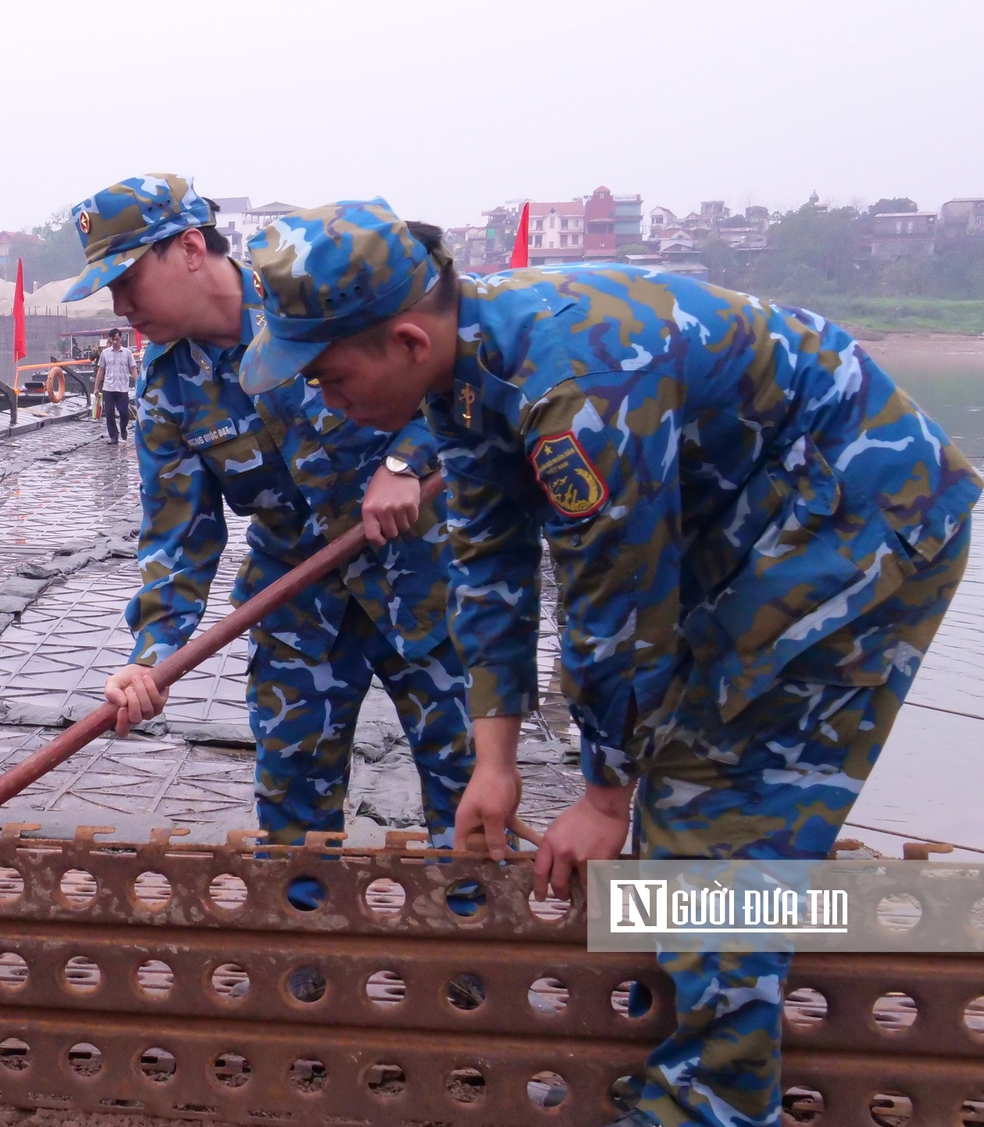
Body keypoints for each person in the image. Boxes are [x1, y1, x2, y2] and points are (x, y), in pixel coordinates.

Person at [238, 199, 978, 1127]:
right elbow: (490, 563)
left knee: (718, 803)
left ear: (407, 339)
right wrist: (495, 762)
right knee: (677, 779)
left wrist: (600, 797)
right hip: (757, 531)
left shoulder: (574, 393)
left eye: (331, 375)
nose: (322, 399)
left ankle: (713, 1101)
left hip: (859, 519)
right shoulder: (465, 372)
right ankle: (666, 1049)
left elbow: (620, 614)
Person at [65, 175, 473, 848]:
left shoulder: (319, 290)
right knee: (292, 811)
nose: (121, 304)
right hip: (298, 602)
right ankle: (304, 917)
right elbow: (177, 535)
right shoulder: (166, 387)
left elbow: (454, 358)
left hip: (425, 577)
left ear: (190, 248)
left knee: (468, 789)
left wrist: (407, 461)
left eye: (128, 279)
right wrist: (151, 656)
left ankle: (473, 913)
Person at [94, 328, 137, 445]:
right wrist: (96, 387)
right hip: (108, 387)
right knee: (109, 413)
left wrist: (138, 384)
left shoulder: (127, 353)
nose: (115, 342)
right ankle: (114, 436)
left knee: (124, 412)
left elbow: (133, 369)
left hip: (122, 388)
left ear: (121, 339)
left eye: (117, 339)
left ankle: (123, 427)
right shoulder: (105, 353)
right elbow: (101, 370)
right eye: (113, 339)